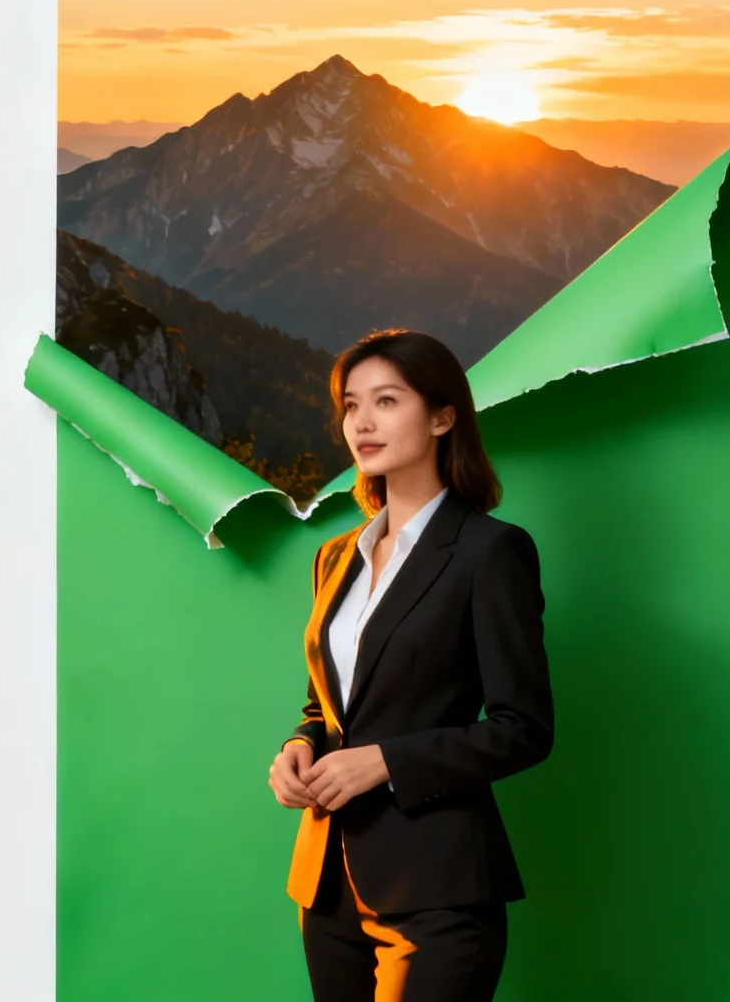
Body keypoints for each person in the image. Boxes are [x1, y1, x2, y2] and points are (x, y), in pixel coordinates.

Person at [267, 328, 555, 1002]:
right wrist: (298, 747)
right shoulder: (334, 557)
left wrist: (386, 762)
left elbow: (523, 727)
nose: (361, 422)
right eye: (350, 405)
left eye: (386, 401)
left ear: (443, 416)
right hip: (326, 885)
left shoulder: (490, 552)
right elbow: (329, 706)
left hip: (438, 888)